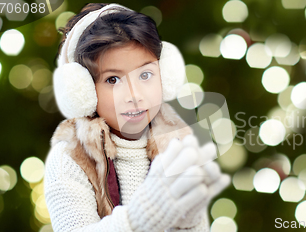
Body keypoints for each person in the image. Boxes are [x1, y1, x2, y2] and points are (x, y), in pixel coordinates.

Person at [43, 3, 229, 231]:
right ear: (83, 91)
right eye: (113, 80)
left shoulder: (174, 144)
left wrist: (188, 223)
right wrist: (141, 218)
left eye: (145, 74)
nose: (134, 95)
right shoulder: (70, 156)